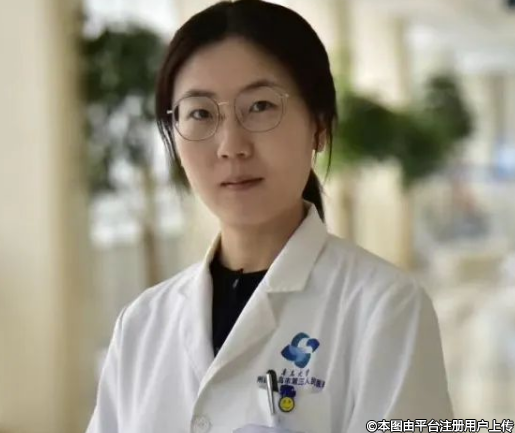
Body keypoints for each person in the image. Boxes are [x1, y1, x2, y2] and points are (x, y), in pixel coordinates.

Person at [85, 1, 453, 432]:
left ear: (318, 125)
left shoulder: (386, 308)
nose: (231, 146)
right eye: (200, 113)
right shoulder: (141, 324)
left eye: (260, 106)